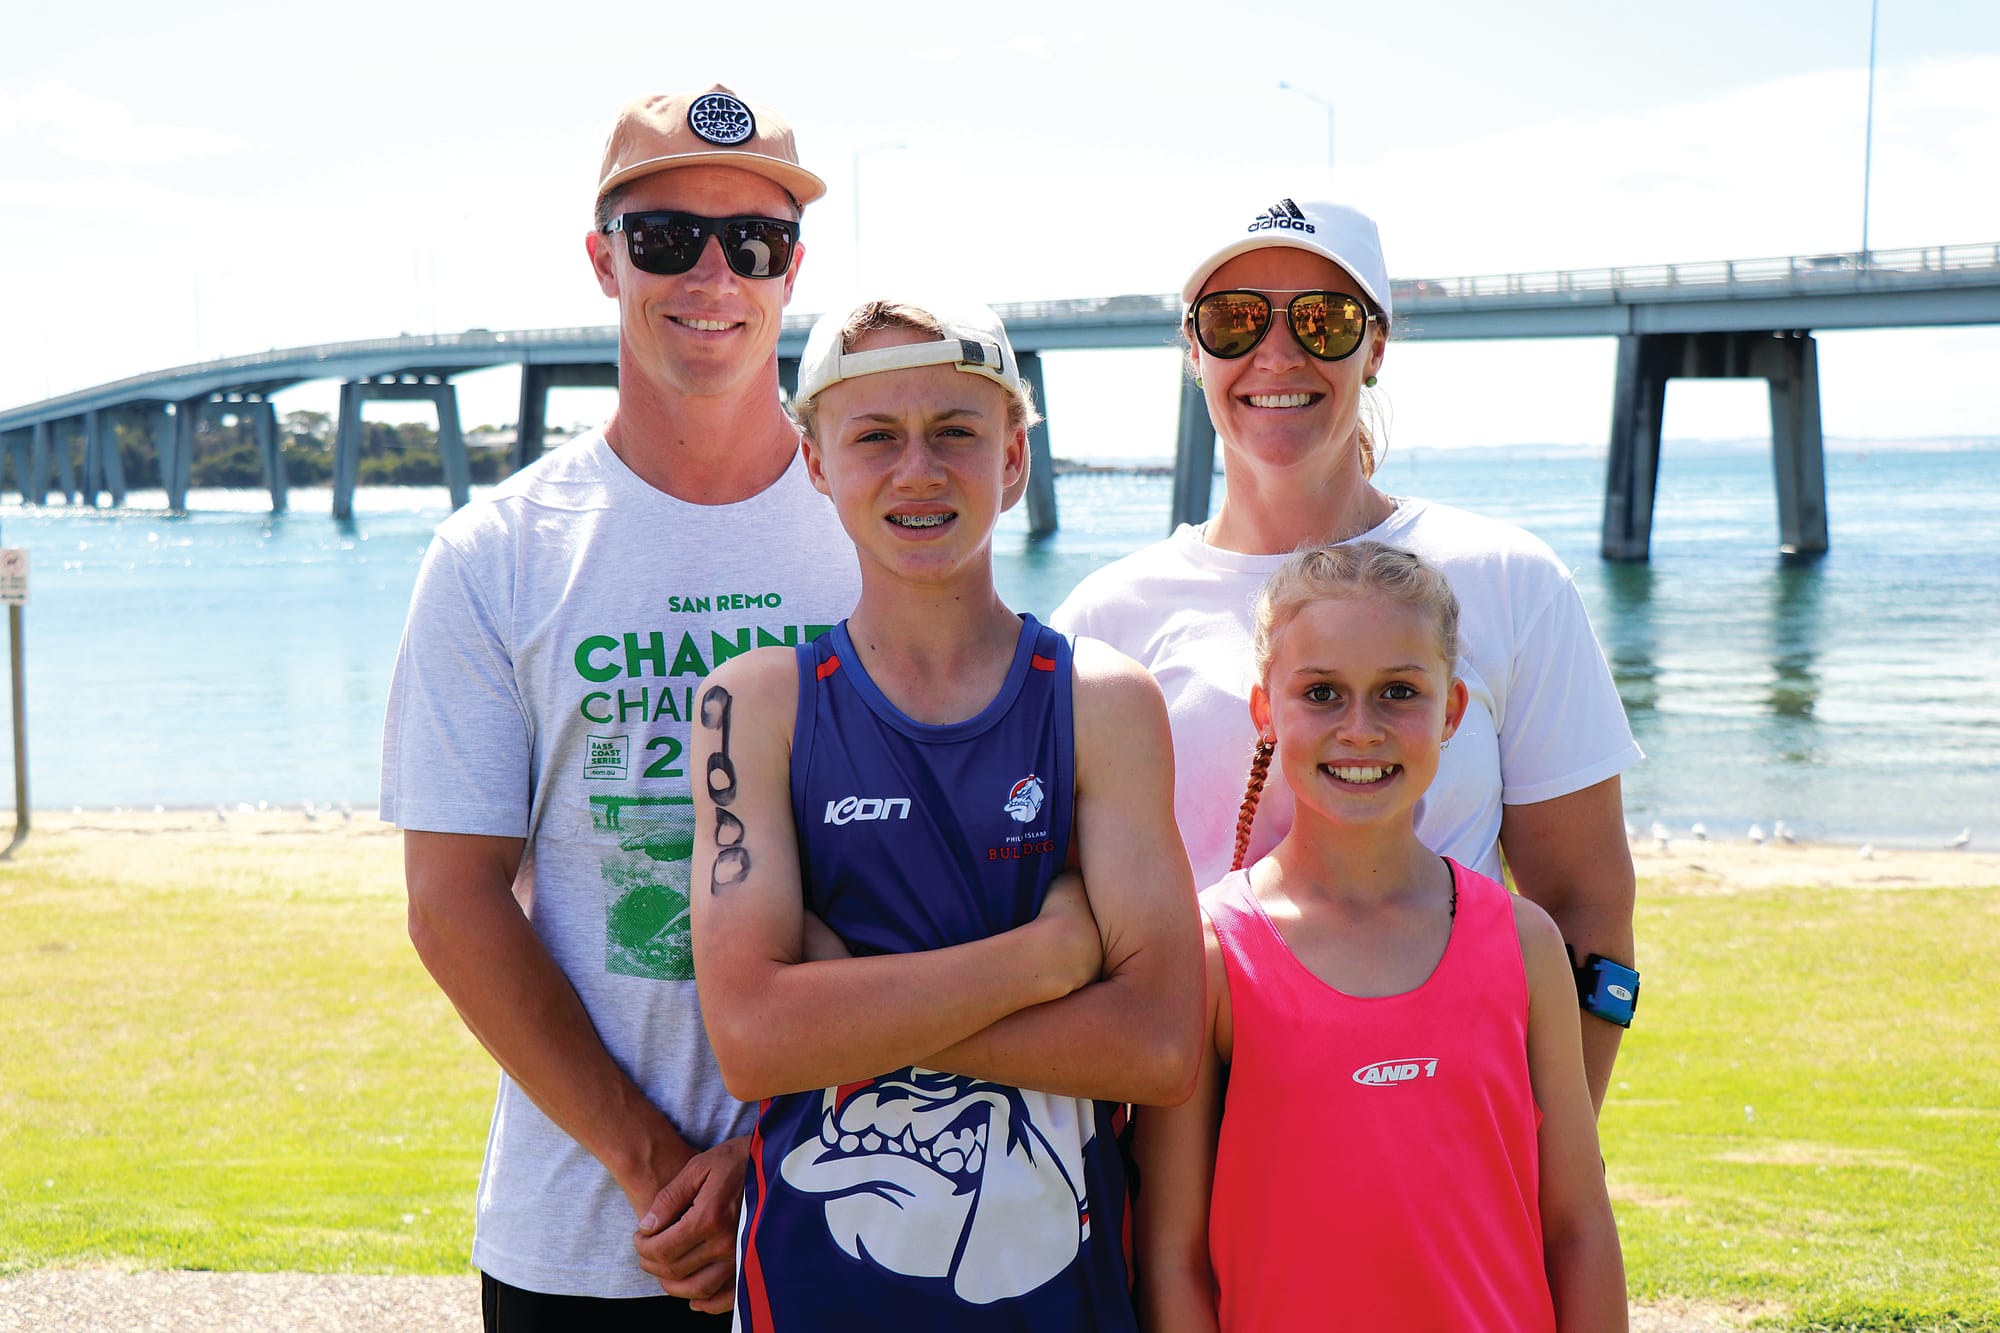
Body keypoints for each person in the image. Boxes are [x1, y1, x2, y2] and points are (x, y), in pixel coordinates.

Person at [381, 85, 862, 1328]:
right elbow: (451, 901)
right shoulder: (496, 553)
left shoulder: (877, 530)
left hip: (850, 1206)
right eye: (665, 239)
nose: (712, 274)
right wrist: (653, 1165)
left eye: (750, 243)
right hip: (594, 1236)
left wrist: (775, 1151)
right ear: (603, 260)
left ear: (791, 270)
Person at [1052, 194, 1643, 1110]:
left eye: (1324, 321)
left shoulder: (1509, 579)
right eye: (1236, 319)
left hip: (1445, 1140)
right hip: (1186, 1138)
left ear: (1376, 346)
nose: (1278, 354)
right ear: (1193, 348)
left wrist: (1546, 1163)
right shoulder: (1106, 617)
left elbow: (1588, 901)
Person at [687, 298, 1203, 1329]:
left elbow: (1157, 1048)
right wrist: (1045, 961)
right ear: (816, 463)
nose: (915, 470)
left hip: (1062, 1300)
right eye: (874, 435)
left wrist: (843, 1012)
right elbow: (752, 1040)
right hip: (811, 1294)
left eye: (954, 433)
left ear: (1012, 460)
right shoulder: (754, 705)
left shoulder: (1101, 702)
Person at [1135, 541, 1628, 1332]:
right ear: (1265, 709)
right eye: (1322, 692)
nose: (1359, 729)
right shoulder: (1213, 953)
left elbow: (1578, 1226)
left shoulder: (1522, 943)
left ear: (1453, 710)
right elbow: (1171, 1253)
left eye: (1398, 691)